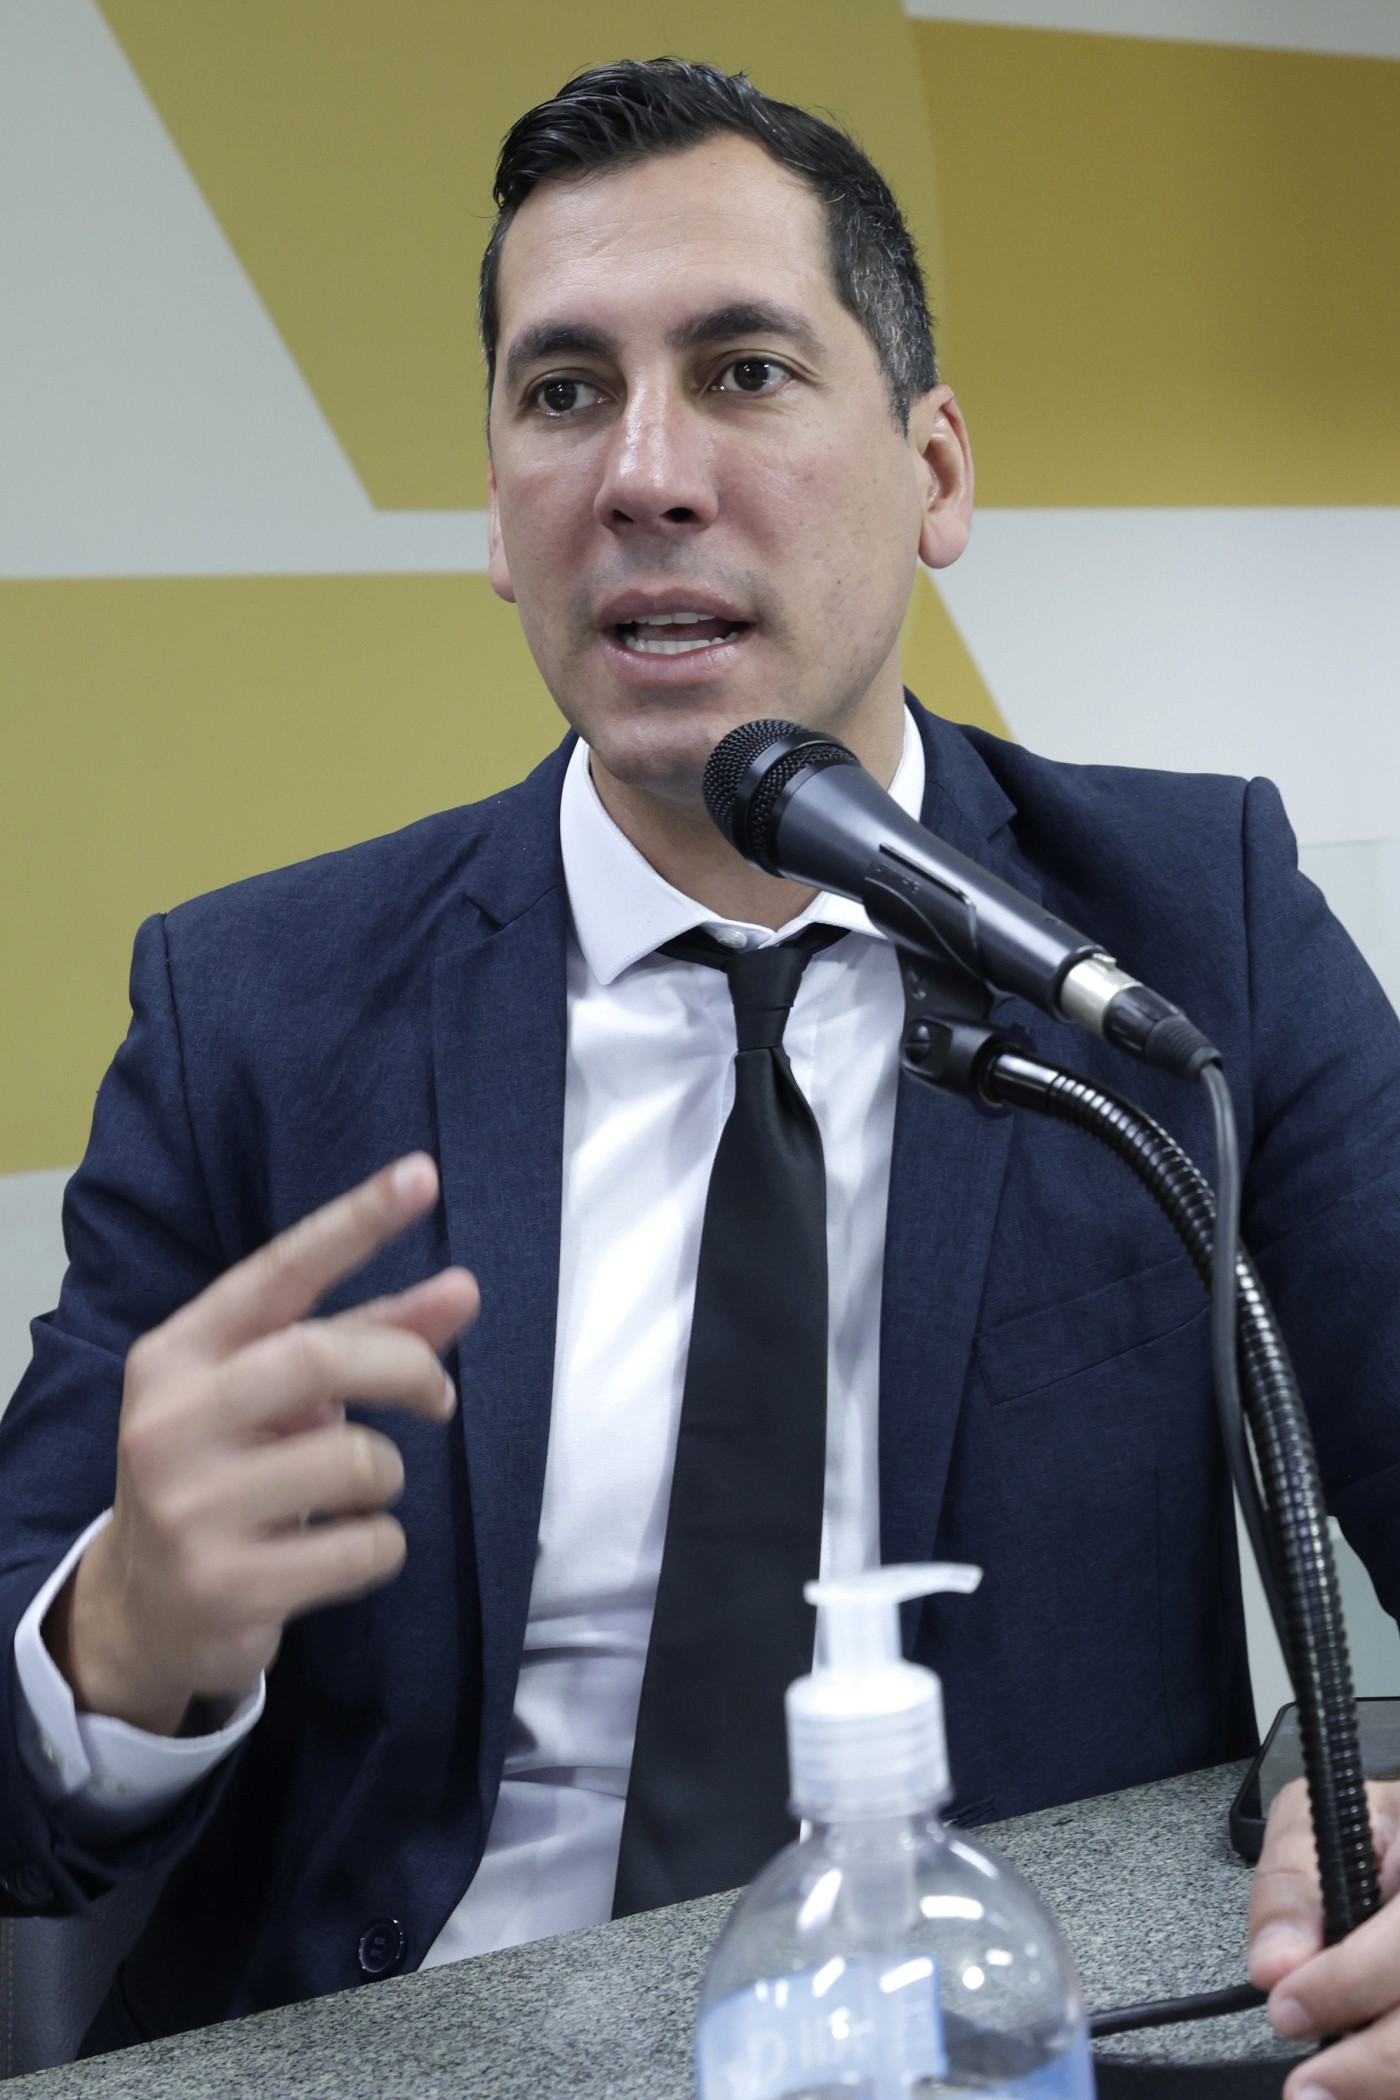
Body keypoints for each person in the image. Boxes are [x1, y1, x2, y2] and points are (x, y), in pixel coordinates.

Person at [2, 56, 1399, 2093]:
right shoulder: (256, 1009)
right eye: (564, 393)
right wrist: (117, 1648)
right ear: (500, 518)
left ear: (933, 472)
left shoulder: (1190, 936)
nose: (643, 475)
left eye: (744, 372)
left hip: (1023, 2037)